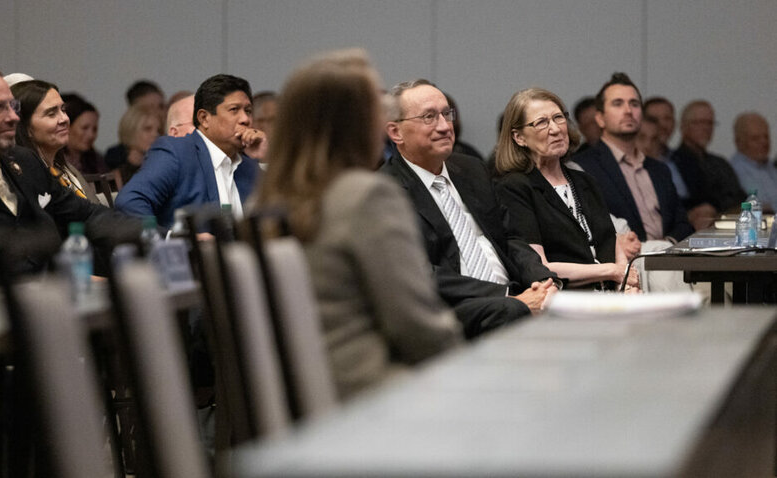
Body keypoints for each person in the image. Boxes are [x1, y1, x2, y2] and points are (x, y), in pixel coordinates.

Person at [255, 49, 461, 399]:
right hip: (371, 396)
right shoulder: (366, 197)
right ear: (355, 123)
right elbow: (417, 329)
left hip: (300, 396)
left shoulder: (264, 203)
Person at [0, 66, 140, 293]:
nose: (13, 117)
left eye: (13, 106)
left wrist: (155, 234)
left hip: (56, 298)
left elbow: (85, 214)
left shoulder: (24, 161)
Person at [381, 79, 558, 339]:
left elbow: (510, 238)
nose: (444, 126)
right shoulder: (386, 190)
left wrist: (543, 281)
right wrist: (509, 297)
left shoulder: (471, 169)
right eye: (429, 117)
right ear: (396, 132)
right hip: (452, 306)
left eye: (446, 114)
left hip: (514, 293)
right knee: (510, 312)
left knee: (567, 305)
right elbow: (417, 272)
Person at [494, 88, 638, 291]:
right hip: (565, 301)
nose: (555, 129)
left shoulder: (585, 181)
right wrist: (611, 271)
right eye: (542, 122)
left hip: (610, 296)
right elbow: (540, 267)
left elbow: (612, 243)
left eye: (558, 118)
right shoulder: (514, 187)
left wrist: (627, 285)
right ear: (519, 138)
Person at [115, 74, 264, 228]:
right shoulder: (177, 152)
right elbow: (130, 201)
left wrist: (264, 159)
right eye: (234, 110)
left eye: (248, 111)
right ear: (204, 118)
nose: (245, 119)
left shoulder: (247, 164)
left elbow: (279, 214)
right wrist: (171, 239)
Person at [573, 73, 693, 243]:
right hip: (622, 263)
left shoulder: (659, 169)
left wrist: (667, 247)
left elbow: (683, 224)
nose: (628, 111)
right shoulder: (582, 168)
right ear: (600, 118)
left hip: (668, 261)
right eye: (618, 104)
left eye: (634, 104)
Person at [11, 80, 100, 203]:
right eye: (51, 114)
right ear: (26, 128)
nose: (64, 119)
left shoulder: (67, 171)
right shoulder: (22, 179)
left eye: (63, 110)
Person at [671, 100, 744, 229]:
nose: (706, 128)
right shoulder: (673, 162)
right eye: (699, 122)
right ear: (683, 126)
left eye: (710, 123)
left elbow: (740, 198)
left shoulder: (720, 163)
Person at [730, 112, 777, 213]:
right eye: (755, 138)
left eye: (766, 137)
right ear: (739, 142)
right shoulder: (735, 171)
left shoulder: (771, 168)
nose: (764, 142)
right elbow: (758, 205)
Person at [113, 104, 161, 184]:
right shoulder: (117, 177)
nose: (155, 134)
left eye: (158, 130)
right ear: (131, 130)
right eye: (147, 129)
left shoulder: (161, 169)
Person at [62, 93, 107, 174]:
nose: (91, 135)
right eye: (84, 128)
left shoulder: (97, 161)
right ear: (67, 127)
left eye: (94, 129)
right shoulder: (54, 161)